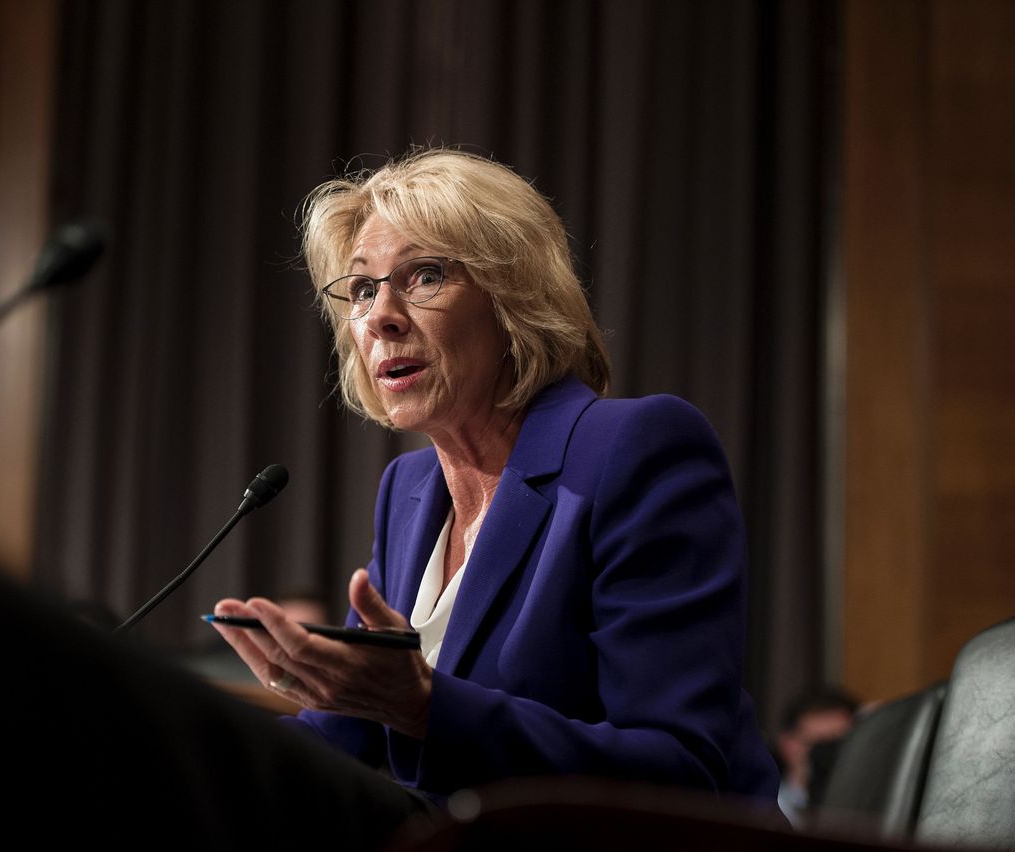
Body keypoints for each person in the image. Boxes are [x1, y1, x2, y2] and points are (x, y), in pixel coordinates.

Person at [210, 149, 781, 805]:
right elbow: (350, 734)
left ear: (512, 297)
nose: (380, 316)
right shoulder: (408, 492)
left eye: (424, 275)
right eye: (363, 289)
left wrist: (426, 708)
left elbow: (680, 770)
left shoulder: (633, 449)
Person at [774, 687, 860, 825]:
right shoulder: (761, 807)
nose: (823, 755)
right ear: (787, 744)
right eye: (815, 743)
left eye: (834, 745)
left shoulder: (870, 810)